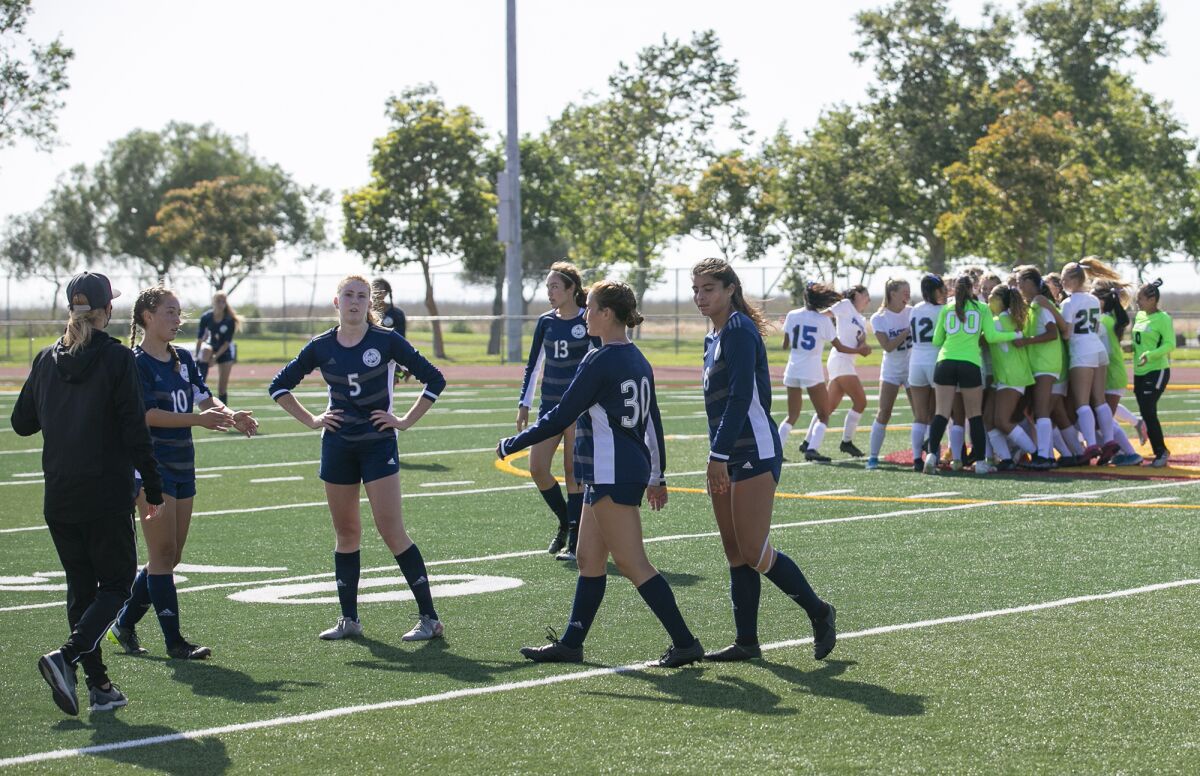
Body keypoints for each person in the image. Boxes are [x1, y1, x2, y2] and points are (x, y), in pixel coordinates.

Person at [499, 280, 704, 668]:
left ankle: (685, 641)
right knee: (588, 559)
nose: (586, 314)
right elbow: (652, 422)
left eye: (590, 307)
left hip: (613, 470)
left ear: (607, 314)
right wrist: (657, 475)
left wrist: (514, 443)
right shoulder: (636, 357)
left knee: (632, 563)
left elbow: (561, 414)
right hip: (612, 469)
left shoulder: (601, 359)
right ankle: (572, 642)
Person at [11, 271, 164, 716]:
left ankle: (99, 686)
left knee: (81, 590)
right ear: (108, 311)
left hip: (59, 493)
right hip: (105, 491)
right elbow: (135, 429)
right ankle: (67, 656)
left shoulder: (45, 358)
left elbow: (22, 422)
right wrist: (153, 485)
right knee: (116, 584)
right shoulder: (117, 359)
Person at [269, 275, 448, 641]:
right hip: (337, 445)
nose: (354, 301)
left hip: (376, 445)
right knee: (346, 533)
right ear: (336, 302)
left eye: (362, 296)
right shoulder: (320, 346)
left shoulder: (385, 340)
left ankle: (430, 618)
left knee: (391, 530)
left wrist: (403, 422)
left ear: (371, 304)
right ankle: (349, 619)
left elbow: (435, 379)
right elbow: (279, 385)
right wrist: (312, 419)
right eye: (348, 295)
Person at [692, 258, 837, 662]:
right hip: (726, 453)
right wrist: (716, 453)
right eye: (696, 290)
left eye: (709, 289)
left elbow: (741, 398)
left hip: (754, 449)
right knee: (735, 551)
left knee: (754, 550)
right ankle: (747, 642)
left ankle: (820, 611)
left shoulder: (737, 329)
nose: (700, 297)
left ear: (730, 290)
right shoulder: (713, 337)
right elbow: (716, 409)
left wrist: (718, 455)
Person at [107, 286, 258, 661]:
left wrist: (230, 414)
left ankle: (124, 625)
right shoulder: (135, 362)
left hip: (182, 465)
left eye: (179, 314)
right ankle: (175, 643)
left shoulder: (184, 358)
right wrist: (198, 420)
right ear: (147, 317)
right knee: (161, 553)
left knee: (170, 556)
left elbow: (205, 397)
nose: (177, 320)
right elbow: (146, 416)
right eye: (170, 313)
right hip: (150, 470)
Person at [516, 261, 598, 560]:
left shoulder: (588, 321)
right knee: (537, 467)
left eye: (554, 286)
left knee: (572, 473)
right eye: (547, 286)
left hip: (578, 409)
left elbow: (599, 363)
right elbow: (534, 364)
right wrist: (524, 403)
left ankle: (576, 542)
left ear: (571, 289)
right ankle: (566, 521)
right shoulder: (546, 322)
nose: (549, 292)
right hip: (550, 407)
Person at [922, 274, 1023, 475]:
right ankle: (980, 462)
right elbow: (992, 337)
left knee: (941, 413)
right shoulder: (982, 308)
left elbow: (936, 340)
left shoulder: (947, 309)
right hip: (970, 363)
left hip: (945, 362)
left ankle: (932, 455)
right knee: (975, 415)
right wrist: (1016, 334)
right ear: (972, 289)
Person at [1059, 259, 1126, 462]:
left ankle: (1091, 444)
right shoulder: (1093, 300)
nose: (1062, 282)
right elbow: (1095, 328)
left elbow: (1067, 333)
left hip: (1081, 351)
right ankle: (1109, 440)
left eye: (1063, 278)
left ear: (1072, 279)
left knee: (1081, 402)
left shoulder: (1067, 303)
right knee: (1099, 400)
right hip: (1097, 349)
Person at [1014, 266, 1070, 470]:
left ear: (1030, 283)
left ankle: (1045, 456)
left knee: (1042, 410)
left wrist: (1026, 342)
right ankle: (1047, 454)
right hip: (1039, 364)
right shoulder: (1032, 306)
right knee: (1037, 411)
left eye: (1020, 282)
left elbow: (1052, 333)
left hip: (1046, 364)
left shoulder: (1040, 305)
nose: (1018, 286)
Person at [778, 282, 838, 461]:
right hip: (811, 371)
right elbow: (839, 346)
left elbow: (785, 346)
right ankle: (812, 449)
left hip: (792, 369)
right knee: (824, 414)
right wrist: (859, 349)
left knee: (792, 415)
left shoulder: (792, 315)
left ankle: (777, 450)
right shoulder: (823, 319)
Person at [984, 284, 1036, 470]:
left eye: (991, 296)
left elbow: (985, 337)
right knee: (989, 419)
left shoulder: (998, 321)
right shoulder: (1008, 320)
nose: (988, 299)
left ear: (999, 301)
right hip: (1004, 376)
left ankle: (1035, 452)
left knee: (1002, 421)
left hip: (1013, 376)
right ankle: (1006, 460)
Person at [1094, 279, 1144, 466]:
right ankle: (1123, 452)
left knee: (1102, 422)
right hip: (1111, 374)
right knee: (1102, 421)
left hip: (1111, 376)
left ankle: (1129, 454)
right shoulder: (1109, 318)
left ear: (1102, 300)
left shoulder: (1104, 320)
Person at [866, 278, 913, 470]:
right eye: (904, 292)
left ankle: (921, 455)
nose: (908, 296)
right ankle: (873, 456)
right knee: (884, 412)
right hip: (892, 371)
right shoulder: (879, 317)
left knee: (921, 413)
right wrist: (907, 331)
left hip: (912, 369)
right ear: (892, 294)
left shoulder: (912, 312)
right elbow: (888, 346)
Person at [824, 285, 872, 457]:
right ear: (856, 294)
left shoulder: (860, 317)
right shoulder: (845, 305)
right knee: (861, 402)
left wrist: (864, 347)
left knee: (827, 408)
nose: (869, 299)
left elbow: (859, 343)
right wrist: (809, 320)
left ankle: (808, 443)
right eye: (866, 295)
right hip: (840, 359)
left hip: (845, 361)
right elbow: (825, 314)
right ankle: (846, 442)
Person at [1131, 279, 1174, 467]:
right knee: (1145, 411)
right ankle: (1160, 450)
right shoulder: (1140, 316)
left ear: (1152, 299)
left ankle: (1161, 452)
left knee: (1148, 410)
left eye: (1140, 298)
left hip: (1157, 371)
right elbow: (1140, 341)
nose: (1137, 301)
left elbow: (1170, 344)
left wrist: (1150, 355)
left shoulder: (1163, 318)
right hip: (1139, 372)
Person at [907, 274, 946, 471]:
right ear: (935, 290)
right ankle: (932, 451)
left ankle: (916, 458)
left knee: (920, 415)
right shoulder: (942, 310)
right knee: (939, 412)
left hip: (915, 362)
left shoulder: (915, 309)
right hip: (935, 360)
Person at [194, 291, 241, 405]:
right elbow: (200, 338)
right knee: (206, 351)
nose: (220, 304)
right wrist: (196, 355)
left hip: (224, 352)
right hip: (211, 347)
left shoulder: (229, 320)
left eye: (223, 301)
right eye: (218, 301)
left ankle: (225, 414)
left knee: (222, 389)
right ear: (213, 302)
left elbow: (226, 343)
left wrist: (215, 358)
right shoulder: (206, 317)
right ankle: (201, 386)